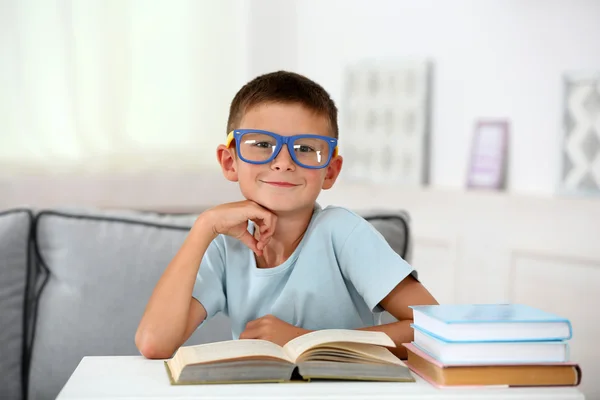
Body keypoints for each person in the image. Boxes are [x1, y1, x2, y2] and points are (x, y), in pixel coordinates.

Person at [135, 71, 438, 360]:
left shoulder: (343, 233)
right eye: (262, 145)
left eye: (305, 148)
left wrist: (307, 340)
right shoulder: (224, 248)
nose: (283, 162)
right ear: (230, 162)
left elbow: (436, 328)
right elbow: (154, 342)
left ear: (330, 171)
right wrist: (204, 226)